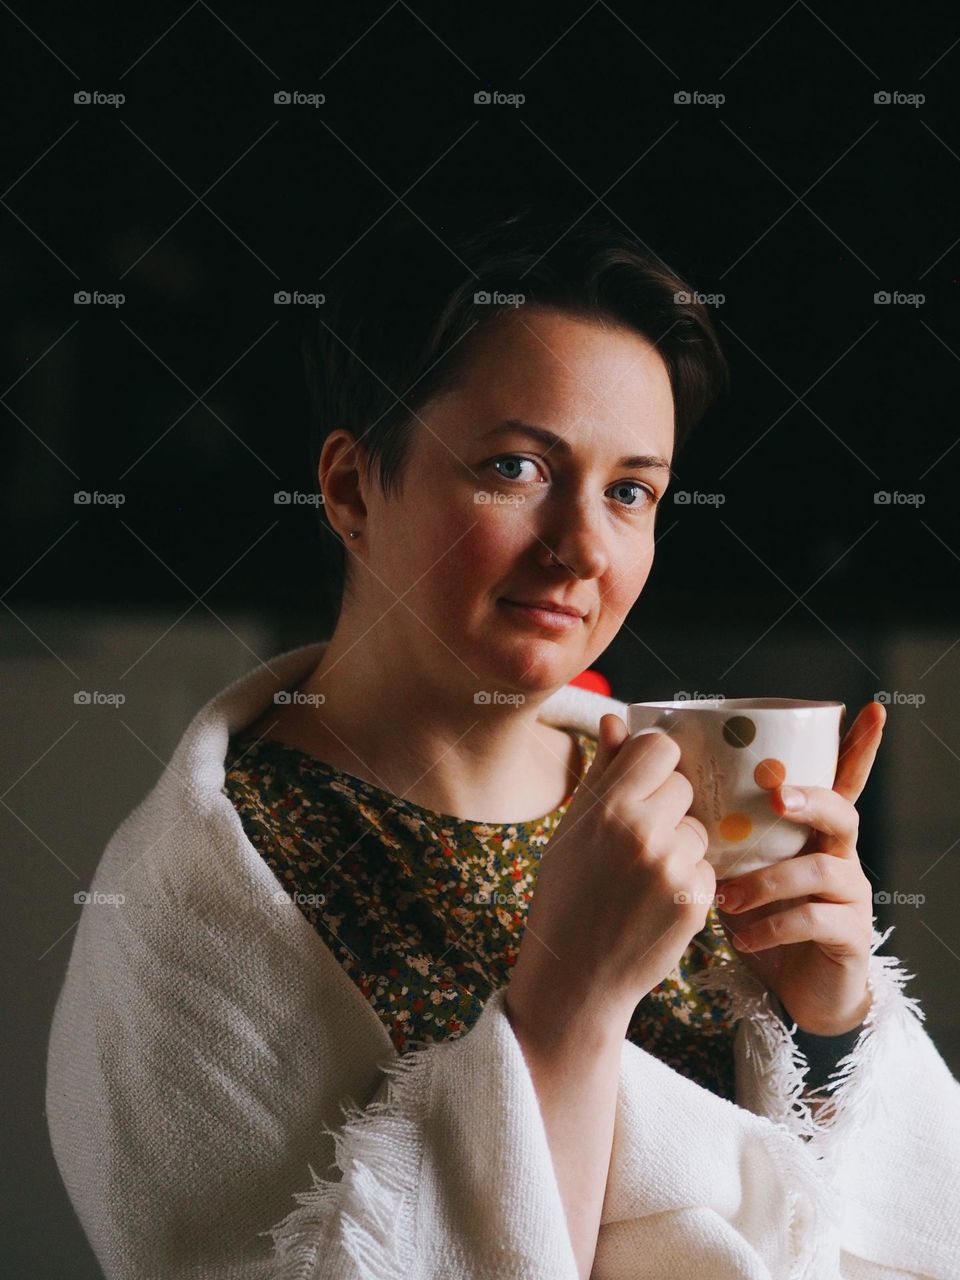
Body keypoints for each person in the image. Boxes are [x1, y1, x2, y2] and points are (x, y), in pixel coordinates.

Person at [46, 209, 960, 1280]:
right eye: (517, 467)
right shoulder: (192, 903)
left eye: (631, 491)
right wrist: (568, 1001)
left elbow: (862, 1217)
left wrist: (831, 1019)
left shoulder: (672, 803)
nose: (582, 547)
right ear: (349, 488)